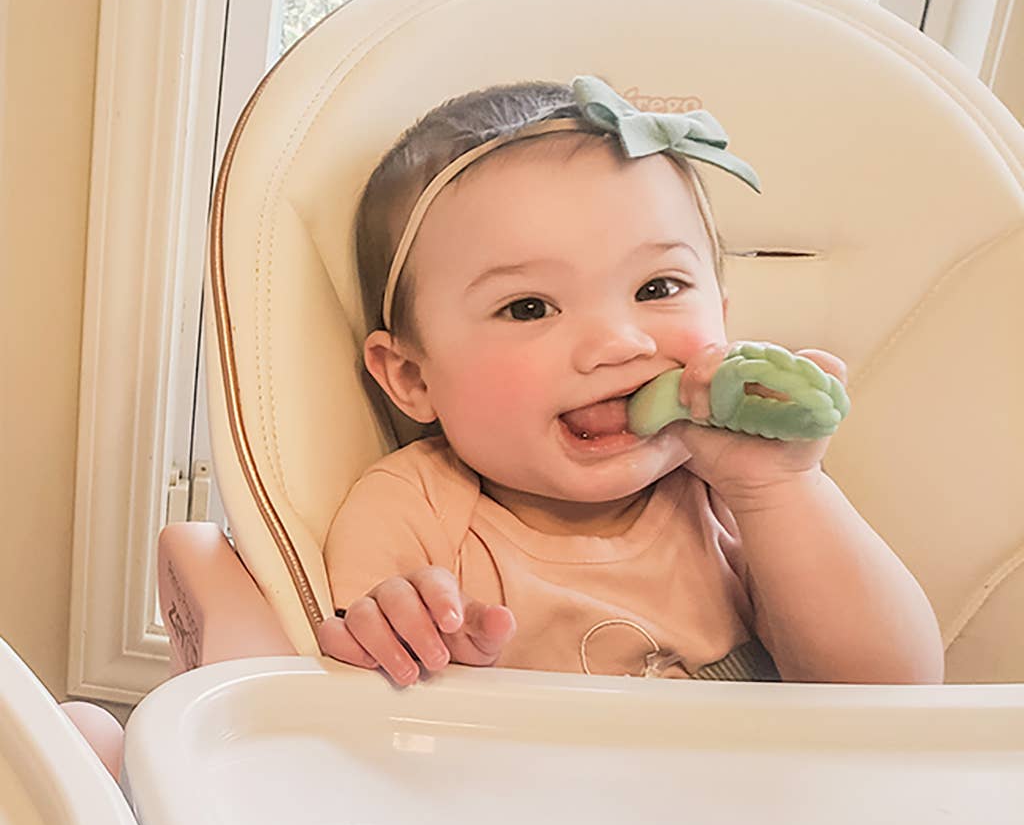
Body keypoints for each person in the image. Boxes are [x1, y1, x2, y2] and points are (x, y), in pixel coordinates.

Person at [317, 76, 943, 687]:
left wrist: (779, 488)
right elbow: (341, 692)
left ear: (722, 319)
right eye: (529, 307)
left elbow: (891, 695)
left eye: (658, 288)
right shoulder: (414, 509)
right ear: (412, 377)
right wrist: (402, 630)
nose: (619, 344)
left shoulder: (733, 492)